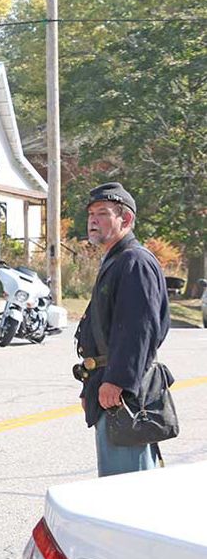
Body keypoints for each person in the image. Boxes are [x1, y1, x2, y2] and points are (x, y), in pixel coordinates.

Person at [75, 182, 169, 477]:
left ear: (125, 220)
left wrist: (117, 381)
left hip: (125, 394)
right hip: (108, 384)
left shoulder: (134, 261)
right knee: (117, 485)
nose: (93, 220)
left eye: (102, 213)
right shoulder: (116, 260)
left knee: (128, 492)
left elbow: (138, 330)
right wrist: (90, 385)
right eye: (91, 213)